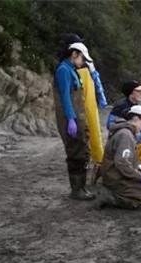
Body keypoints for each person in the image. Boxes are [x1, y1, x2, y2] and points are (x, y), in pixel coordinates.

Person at [58, 34, 107, 174]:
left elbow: (95, 78)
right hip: (79, 100)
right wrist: (102, 98)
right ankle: (94, 161)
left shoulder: (73, 65)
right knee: (87, 132)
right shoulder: (66, 68)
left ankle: (96, 161)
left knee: (92, 129)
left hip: (85, 95)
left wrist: (102, 99)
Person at [53, 42, 95, 200]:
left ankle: (81, 188)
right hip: (71, 118)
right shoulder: (64, 70)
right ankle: (77, 190)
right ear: (74, 54)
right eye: (82, 58)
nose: (83, 62)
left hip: (79, 117)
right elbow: (65, 96)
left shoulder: (72, 70)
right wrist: (71, 119)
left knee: (83, 150)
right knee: (76, 152)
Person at [97, 105, 141, 209]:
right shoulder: (125, 135)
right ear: (135, 119)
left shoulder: (125, 132)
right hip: (116, 178)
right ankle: (110, 196)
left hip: (116, 174)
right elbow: (122, 163)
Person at [107, 80, 141, 165]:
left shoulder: (136, 106)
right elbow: (111, 125)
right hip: (123, 140)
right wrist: (135, 135)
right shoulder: (120, 106)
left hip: (133, 138)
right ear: (131, 93)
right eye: (138, 91)